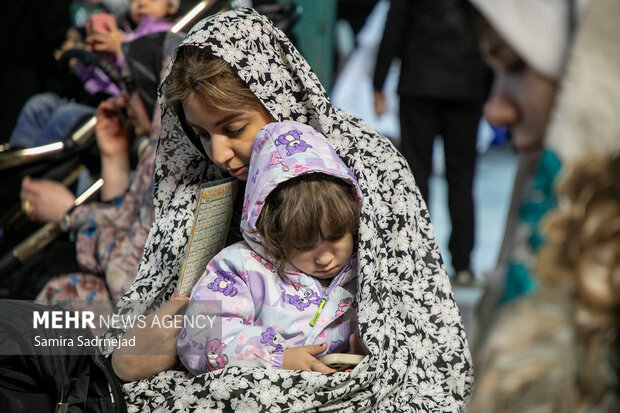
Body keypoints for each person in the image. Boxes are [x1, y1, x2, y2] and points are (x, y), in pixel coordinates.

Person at [105, 8, 472, 411]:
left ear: (275, 95)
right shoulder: (202, 185)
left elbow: (414, 323)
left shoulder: (367, 163)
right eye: (202, 135)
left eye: (234, 129)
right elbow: (151, 352)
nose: (219, 153)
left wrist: (367, 345)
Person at [178, 120, 362, 375]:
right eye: (303, 245)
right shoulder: (238, 268)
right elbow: (198, 340)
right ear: (273, 232)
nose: (325, 257)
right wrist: (277, 358)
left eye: (336, 236)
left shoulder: (367, 270)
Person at [20, 31, 180, 314]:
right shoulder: (159, 151)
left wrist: (68, 215)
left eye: (131, 86)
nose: (124, 99)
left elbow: (127, 279)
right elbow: (129, 224)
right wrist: (113, 156)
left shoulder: (179, 162)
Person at [372, 0, 490, 285]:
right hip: (467, 85)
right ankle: (463, 264)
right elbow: (491, 27)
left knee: (416, 175)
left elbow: (395, 24)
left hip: (419, 83)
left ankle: (417, 260)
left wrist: (379, 81)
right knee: (462, 177)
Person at [9, 0, 180, 149]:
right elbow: (96, 75)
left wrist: (121, 49)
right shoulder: (120, 29)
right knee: (40, 103)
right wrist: (83, 61)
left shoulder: (164, 37)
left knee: (65, 116)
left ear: (171, 6)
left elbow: (142, 78)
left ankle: (32, 170)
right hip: (92, 97)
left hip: (122, 108)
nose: (142, 3)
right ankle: (18, 153)